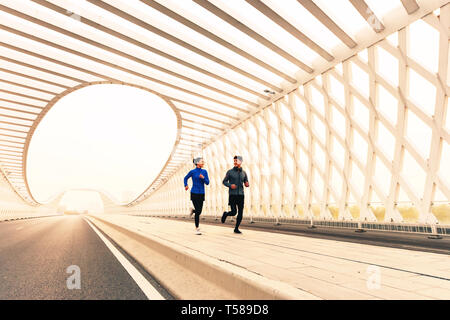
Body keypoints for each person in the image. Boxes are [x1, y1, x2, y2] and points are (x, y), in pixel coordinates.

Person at [221, 155, 249, 234]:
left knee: (240, 212)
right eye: (234, 161)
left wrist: (247, 184)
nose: (235, 162)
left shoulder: (244, 173)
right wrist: (230, 185)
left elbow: (246, 182)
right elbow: (224, 181)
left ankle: (236, 228)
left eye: (236, 161)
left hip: (241, 195)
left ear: (241, 161)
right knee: (234, 212)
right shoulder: (230, 172)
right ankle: (226, 214)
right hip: (232, 195)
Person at [184, 157, 209, 235]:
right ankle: (197, 228)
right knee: (198, 212)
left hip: (201, 193)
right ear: (197, 163)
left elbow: (207, 182)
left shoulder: (204, 172)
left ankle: (193, 211)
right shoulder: (192, 172)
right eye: (202, 161)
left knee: (199, 211)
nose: (203, 162)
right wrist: (186, 185)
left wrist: (203, 178)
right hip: (194, 192)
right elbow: (185, 178)